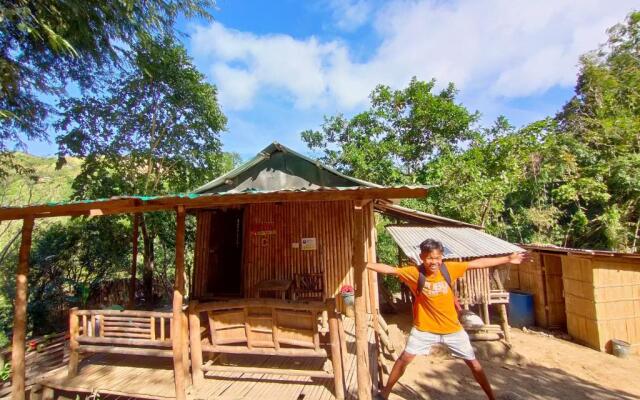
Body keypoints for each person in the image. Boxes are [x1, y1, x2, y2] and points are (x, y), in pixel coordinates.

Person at [367, 238, 527, 400]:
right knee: (404, 359)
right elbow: (390, 270)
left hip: (453, 329)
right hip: (424, 328)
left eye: (437, 258)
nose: (434, 262)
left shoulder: (449, 269)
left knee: (474, 365)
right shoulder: (415, 273)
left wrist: (507, 259)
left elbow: (477, 263)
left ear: (442, 257)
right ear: (422, 257)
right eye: (429, 258)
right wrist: (365, 264)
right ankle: (386, 392)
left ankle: (492, 397)